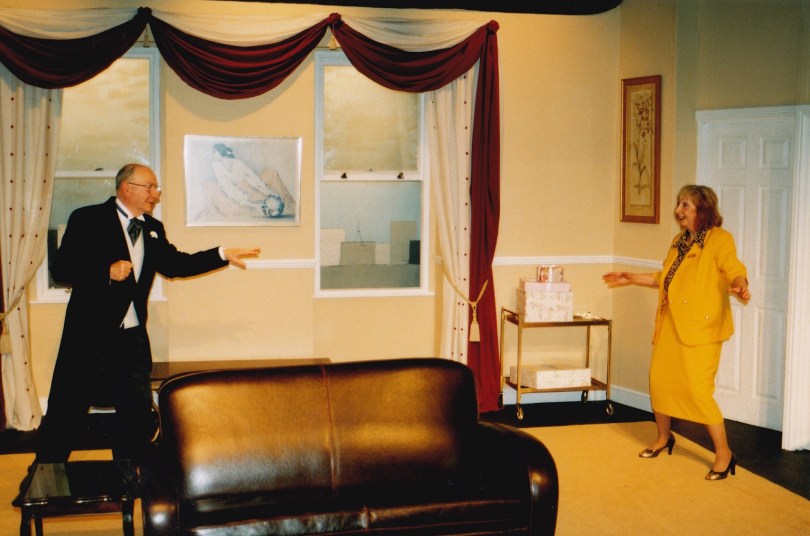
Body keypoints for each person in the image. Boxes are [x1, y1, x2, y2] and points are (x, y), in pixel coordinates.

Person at [35, 163, 260, 473]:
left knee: (136, 418)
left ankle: (129, 479)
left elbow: (177, 265)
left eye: (156, 188)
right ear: (126, 188)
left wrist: (221, 254)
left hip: (131, 341)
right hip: (88, 337)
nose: (155, 194)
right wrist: (104, 271)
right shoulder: (88, 219)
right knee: (66, 415)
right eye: (150, 187)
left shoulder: (153, 228)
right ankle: (41, 481)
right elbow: (62, 269)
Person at [603, 184, 751, 481]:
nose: (678, 211)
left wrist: (740, 284)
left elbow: (734, 268)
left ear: (702, 209)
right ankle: (663, 437)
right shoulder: (679, 241)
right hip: (671, 323)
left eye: (685, 205)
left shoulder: (719, 239)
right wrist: (631, 277)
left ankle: (724, 454)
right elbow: (667, 278)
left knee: (698, 391)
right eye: (679, 203)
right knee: (659, 381)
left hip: (703, 327)